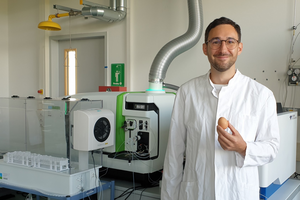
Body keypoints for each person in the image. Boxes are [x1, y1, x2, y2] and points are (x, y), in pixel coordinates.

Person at [161, 17, 280, 200]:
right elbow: (174, 155)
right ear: (205, 48)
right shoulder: (186, 93)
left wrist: (244, 148)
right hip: (197, 192)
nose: (223, 49)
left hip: (239, 192)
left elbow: (271, 148)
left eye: (230, 42)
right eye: (215, 42)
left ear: (239, 48)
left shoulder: (261, 95)